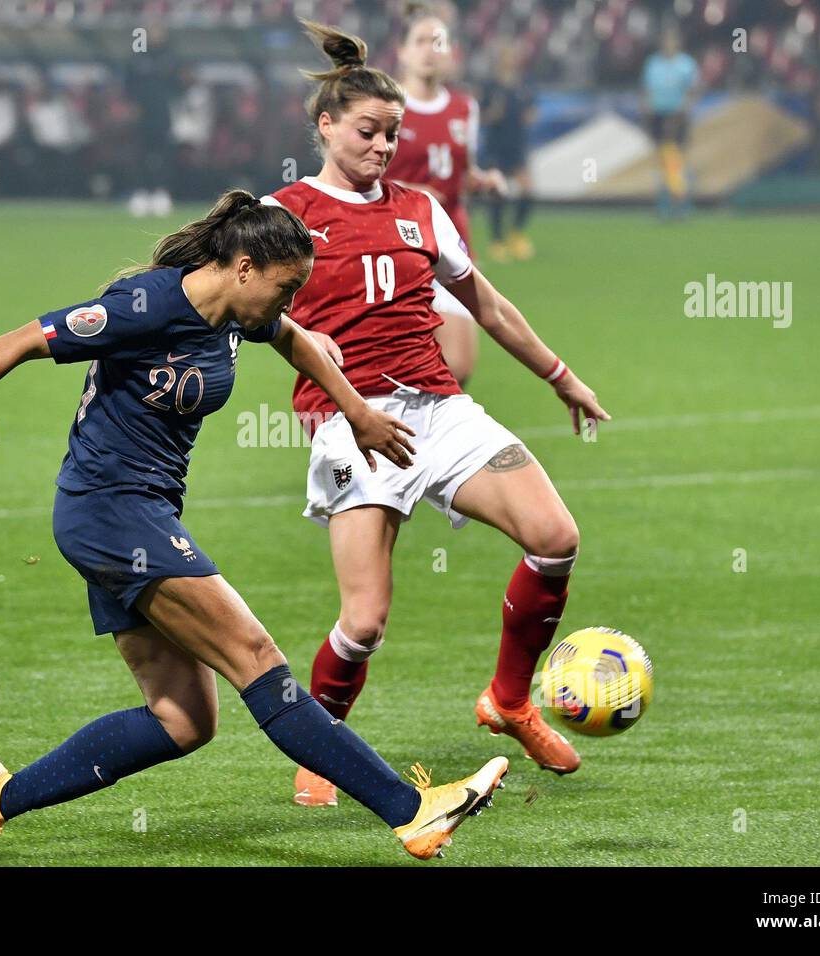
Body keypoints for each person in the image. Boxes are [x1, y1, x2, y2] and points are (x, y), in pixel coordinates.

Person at [0, 190, 508, 864]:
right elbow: (25, 339)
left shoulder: (237, 310)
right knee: (258, 660)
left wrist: (355, 411)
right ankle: (413, 812)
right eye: (285, 287)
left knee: (183, 720)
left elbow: (296, 341)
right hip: (110, 510)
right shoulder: (145, 306)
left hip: (133, 514)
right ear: (242, 266)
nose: (288, 303)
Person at [261, 21, 609, 809]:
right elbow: (248, 312)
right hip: (349, 421)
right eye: (368, 132)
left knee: (555, 538)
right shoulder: (283, 214)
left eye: (392, 134)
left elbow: (484, 301)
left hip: (439, 409)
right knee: (366, 620)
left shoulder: (421, 209)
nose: (384, 147)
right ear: (325, 125)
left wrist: (560, 376)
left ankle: (510, 702)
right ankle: (322, 745)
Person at [384, 2, 509, 386]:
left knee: (459, 368)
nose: (429, 49)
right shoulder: (386, 106)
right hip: (396, 251)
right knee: (396, 369)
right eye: (420, 41)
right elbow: (358, 178)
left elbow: (460, 172)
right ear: (402, 51)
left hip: (451, 245)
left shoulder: (463, 107)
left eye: (437, 42)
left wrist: (482, 180)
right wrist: (409, 192)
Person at [481, 40, 538, 262]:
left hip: (516, 146)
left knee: (528, 191)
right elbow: (484, 116)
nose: (511, 60)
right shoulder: (491, 86)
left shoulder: (523, 84)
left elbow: (531, 110)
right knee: (498, 193)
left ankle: (515, 233)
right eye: (507, 55)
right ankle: (496, 241)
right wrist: (494, 113)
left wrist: (529, 115)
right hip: (497, 146)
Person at [642, 25, 699, 218]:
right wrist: (647, 113)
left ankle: (682, 204)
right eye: (665, 41)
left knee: (679, 160)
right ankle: (665, 203)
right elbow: (647, 91)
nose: (668, 44)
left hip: (678, 116)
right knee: (662, 160)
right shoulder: (653, 64)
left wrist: (684, 110)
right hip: (658, 115)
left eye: (671, 40)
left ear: (678, 43)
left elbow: (693, 90)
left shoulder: (686, 64)